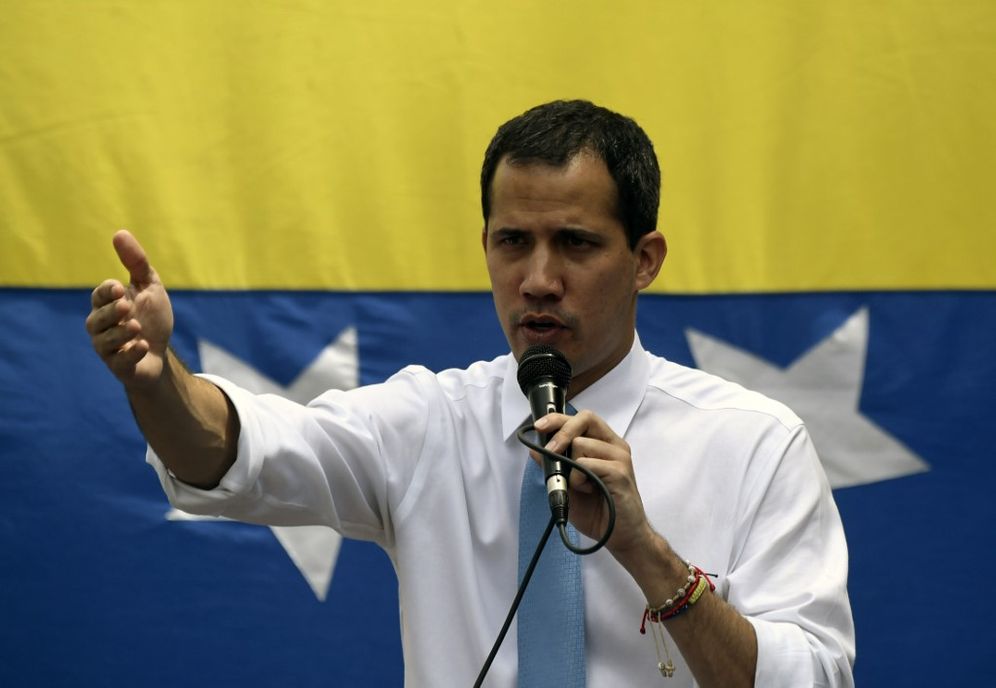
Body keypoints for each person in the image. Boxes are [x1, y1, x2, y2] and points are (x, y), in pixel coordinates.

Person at [86, 100, 855, 687]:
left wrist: (646, 552)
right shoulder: (432, 422)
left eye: (576, 243)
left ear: (645, 259)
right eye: (513, 242)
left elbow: (817, 678)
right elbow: (238, 454)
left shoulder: (754, 441)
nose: (538, 280)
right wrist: (158, 380)